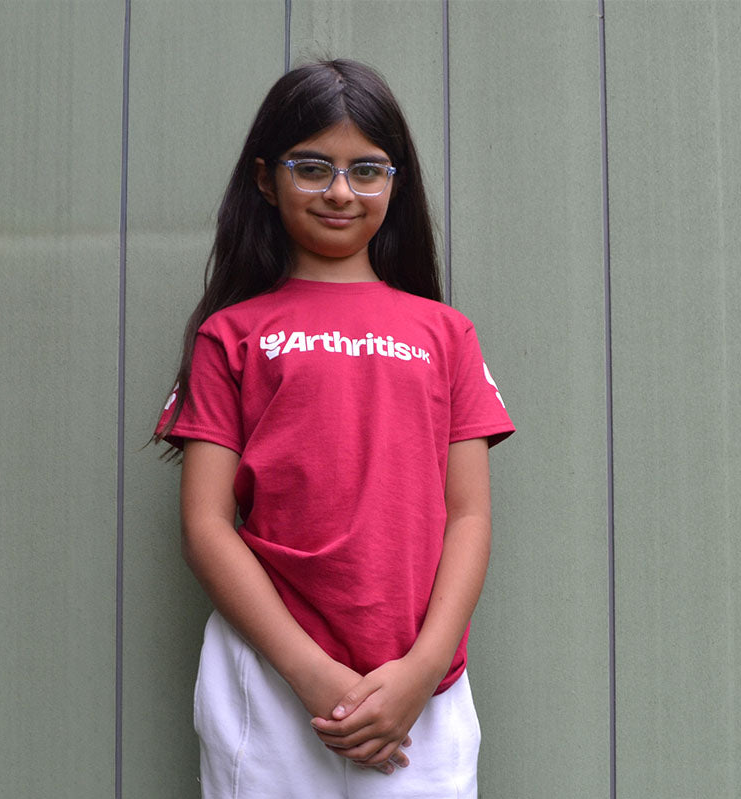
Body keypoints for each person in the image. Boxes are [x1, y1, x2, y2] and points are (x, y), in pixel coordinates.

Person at [155, 59, 514, 798]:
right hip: (267, 680)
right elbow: (205, 526)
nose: (341, 192)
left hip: (423, 692)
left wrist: (422, 670)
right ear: (266, 179)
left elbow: (470, 515)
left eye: (367, 170)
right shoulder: (230, 336)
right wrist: (310, 673)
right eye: (312, 167)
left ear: (395, 182)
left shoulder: (447, 334)